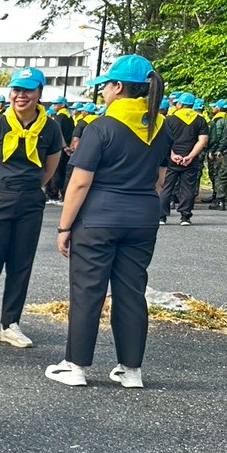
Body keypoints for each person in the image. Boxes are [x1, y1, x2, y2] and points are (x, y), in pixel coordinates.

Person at [46, 55, 169, 389]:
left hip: (99, 219)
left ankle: (76, 366)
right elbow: (159, 180)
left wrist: (64, 227)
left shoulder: (101, 127)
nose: (102, 92)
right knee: (131, 292)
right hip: (143, 219)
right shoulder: (160, 127)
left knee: (88, 291)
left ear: (117, 87)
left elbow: (80, 183)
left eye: (105, 86)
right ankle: (131, 370)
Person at [0, 68, 64, 347]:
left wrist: (29, 188)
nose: (21, 96)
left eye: (28, 90)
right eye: (16, 90)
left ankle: (10, 323)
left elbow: (49, 168)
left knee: (21, 262)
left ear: (39, 93)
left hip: (30, 199)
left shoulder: (50, 128)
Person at [158, 91, 208, 226]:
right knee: (188, 188)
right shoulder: (200, 120)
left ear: (179, 104)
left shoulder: (169, 120)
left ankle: (162, 216)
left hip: (171, 159)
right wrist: (190, 156)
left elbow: (164, 140)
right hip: (190, 160)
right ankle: (185, 217)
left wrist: (173, 154)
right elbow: (203, 140)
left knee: (166, 186)